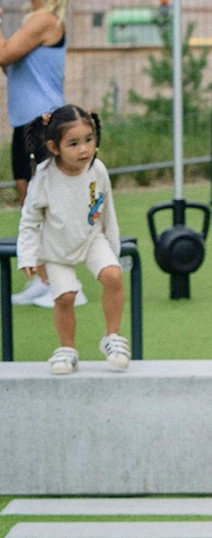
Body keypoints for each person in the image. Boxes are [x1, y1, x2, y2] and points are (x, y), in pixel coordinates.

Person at [17, 105, 128, 376]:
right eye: (74, 144)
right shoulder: (43, 177)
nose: (84, 150)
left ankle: (112, 338)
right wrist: (30, 256)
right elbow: (30, 220)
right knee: (65, 297)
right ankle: (68, 349)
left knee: (113, 275)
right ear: (54, 147)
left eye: (89, 140)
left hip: (92, 239)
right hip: (56, 248)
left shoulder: (97, 169)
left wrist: (112, 247)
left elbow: (107, 209)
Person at [3, 0, 73, 308]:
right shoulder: (35, 20)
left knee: (45, 206)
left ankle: (67, 286)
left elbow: (3, 56)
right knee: (29, 203)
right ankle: (44, 282)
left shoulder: (45, 20)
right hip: (24, 123)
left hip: (41, 122)